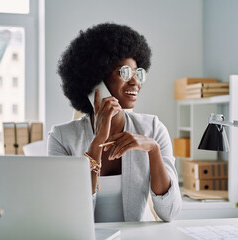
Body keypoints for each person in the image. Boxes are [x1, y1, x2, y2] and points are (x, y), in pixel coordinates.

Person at [48, 23, 182, 222]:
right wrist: (97, 142)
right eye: (124, 72)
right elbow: (69, 213)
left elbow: (169, 212)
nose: (135, 82)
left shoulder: (153, 129)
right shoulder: (62, 138)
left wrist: (153, 150)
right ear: (95, 79)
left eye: (138, 73)